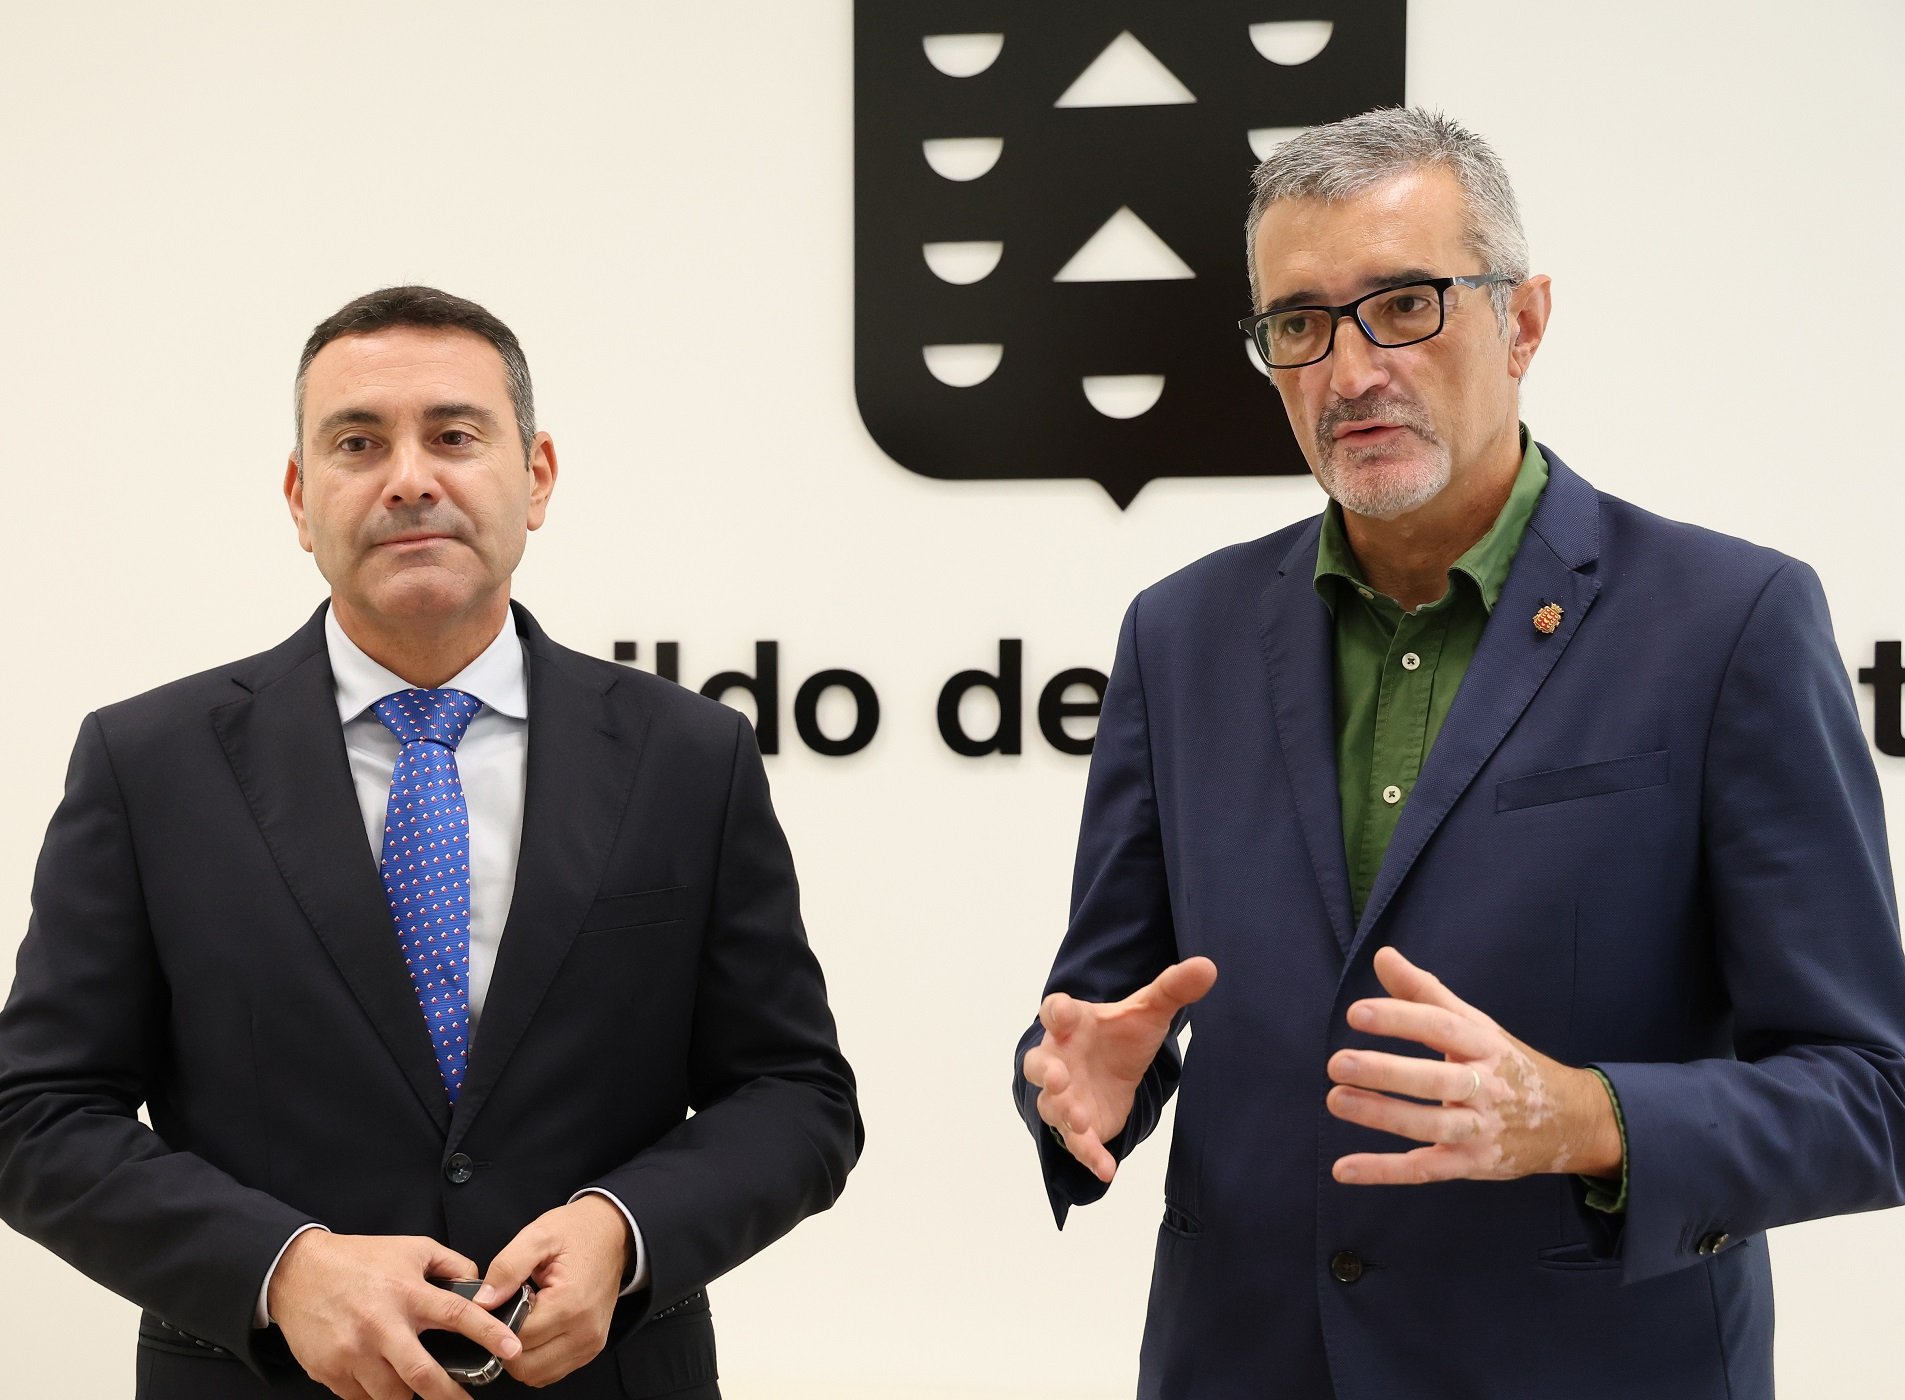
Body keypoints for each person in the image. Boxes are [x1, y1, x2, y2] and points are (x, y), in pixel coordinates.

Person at [1012, 108, 1905, 1399]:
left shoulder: (1727, 622)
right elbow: (1103, 1012)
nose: (1350, 369)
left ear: (1523, 321)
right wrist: (1076, 1089)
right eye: (1300, 325)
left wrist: (1586, 1118)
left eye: (1405, 305)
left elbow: (1869, 1094)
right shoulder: (1181, 633)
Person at [0, 286, 861, 1400]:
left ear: (536, 474)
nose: (410, 476)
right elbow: (37, 1113)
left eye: (455, 435)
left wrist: (625, 1230)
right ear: (301, 497)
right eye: (358, 443)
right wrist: (280, 1267)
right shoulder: (148, 762)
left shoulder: (689, 755)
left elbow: (796, 1093)